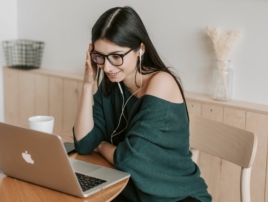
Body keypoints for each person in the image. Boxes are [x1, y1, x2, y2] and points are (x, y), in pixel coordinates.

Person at [73, 6, 211, 202]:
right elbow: (84, 144)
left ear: (140, 50)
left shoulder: (161, 82)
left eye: (116, 56)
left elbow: (129, 158)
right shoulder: (113, 84)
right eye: (100, 57)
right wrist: (88, 84)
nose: (107, 67)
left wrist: (102, 145)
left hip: (176, 196)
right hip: (131, 192)